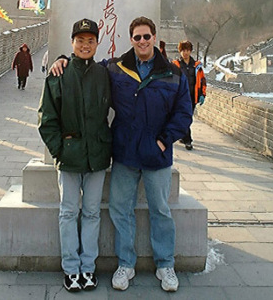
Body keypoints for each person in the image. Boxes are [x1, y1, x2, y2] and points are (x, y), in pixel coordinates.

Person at [50, 16, 192, 293]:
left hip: (157, 156)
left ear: (154, 37)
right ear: (131, 40)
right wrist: (61, 59)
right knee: (119, 210)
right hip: (126, 153)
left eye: (146, 36)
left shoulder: (173, 73)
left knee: (161, 210)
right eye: (137, 37)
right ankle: (126, 263)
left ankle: (165, 264)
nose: (142, 41)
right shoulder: (116, 68)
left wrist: (164, 142)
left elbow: (184, 112)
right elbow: (85, 64)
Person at [38, 18, 112, 293]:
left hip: (96, 157)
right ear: (72, 43)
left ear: (96, 43)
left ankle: (88, 268)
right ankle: (71, 269)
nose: (84, 45)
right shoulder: (59, 74)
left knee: (92, 213)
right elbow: (47, 120)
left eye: (90, 41)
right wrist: (61, 150)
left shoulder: (104, 74)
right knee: (69, 212)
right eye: (80, 40)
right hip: (70, 160)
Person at [172, 40, 206, 150]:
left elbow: (202, 81)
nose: (185, 53)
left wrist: (203, 94)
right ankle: (188, 140)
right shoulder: (176, 65)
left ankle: (183, 135)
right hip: (180, 97)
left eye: (187, 50)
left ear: (190, 51)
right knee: (183, 117)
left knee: (188, 117)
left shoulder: (196, 66)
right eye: (183, 50)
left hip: (192, 96)